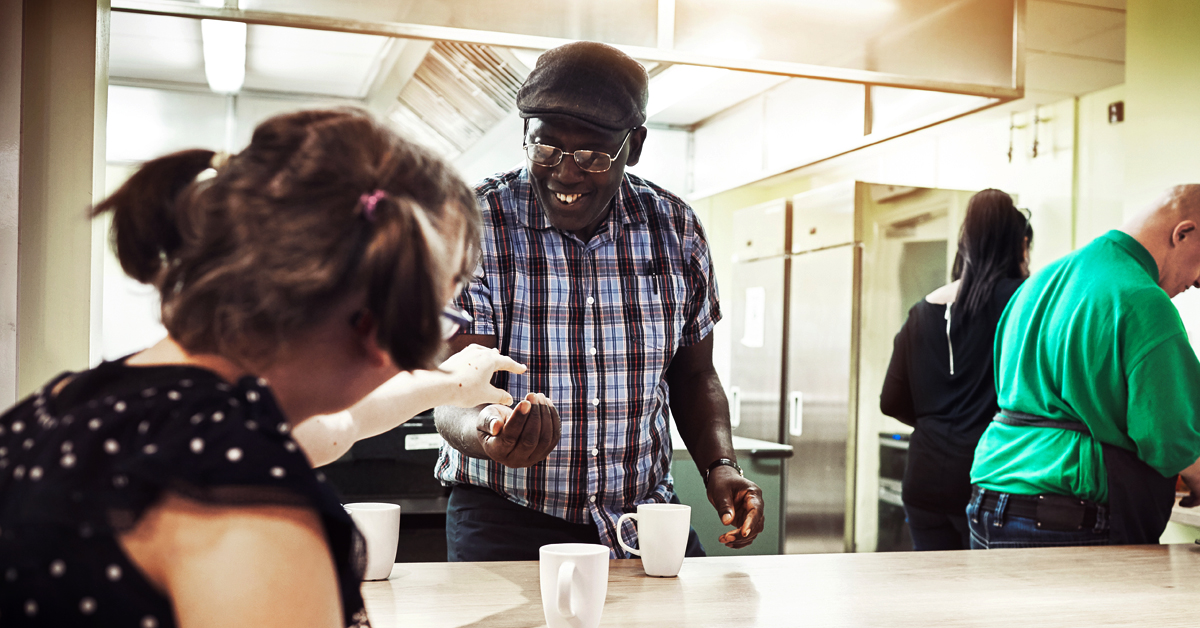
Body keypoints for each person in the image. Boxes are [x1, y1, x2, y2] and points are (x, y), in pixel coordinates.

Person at [0, 108, 522, 627]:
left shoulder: (71, 407)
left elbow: (339, 426)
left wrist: (453, 384)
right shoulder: (240, 504)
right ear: (385, 317)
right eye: (436, 310)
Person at [432, 41, 765, 561]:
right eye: (545, 149)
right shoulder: (474, 224)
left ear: (633, 146)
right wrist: (488, 430)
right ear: (525, 135)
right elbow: (454, 388)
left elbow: (695, 375)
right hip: (505, 517)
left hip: (641, 516)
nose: (565, 173)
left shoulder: (676, 230)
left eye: (592, 155)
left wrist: (721, 465)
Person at [968, 184, 1200, 549]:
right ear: (1184, 233)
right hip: (1068, 514)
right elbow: (1170, 438)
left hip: (990, 496)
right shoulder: (1143, 300)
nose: (1199, 282)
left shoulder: (1045, 280)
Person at [880, 189, 1032, 551]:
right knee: (984, 598)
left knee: (935, 596)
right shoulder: (1025, 301)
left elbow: (890, 400)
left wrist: (941, 423)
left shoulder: (922, 311)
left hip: (924, 478)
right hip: (989, 476)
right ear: (1020, 244)